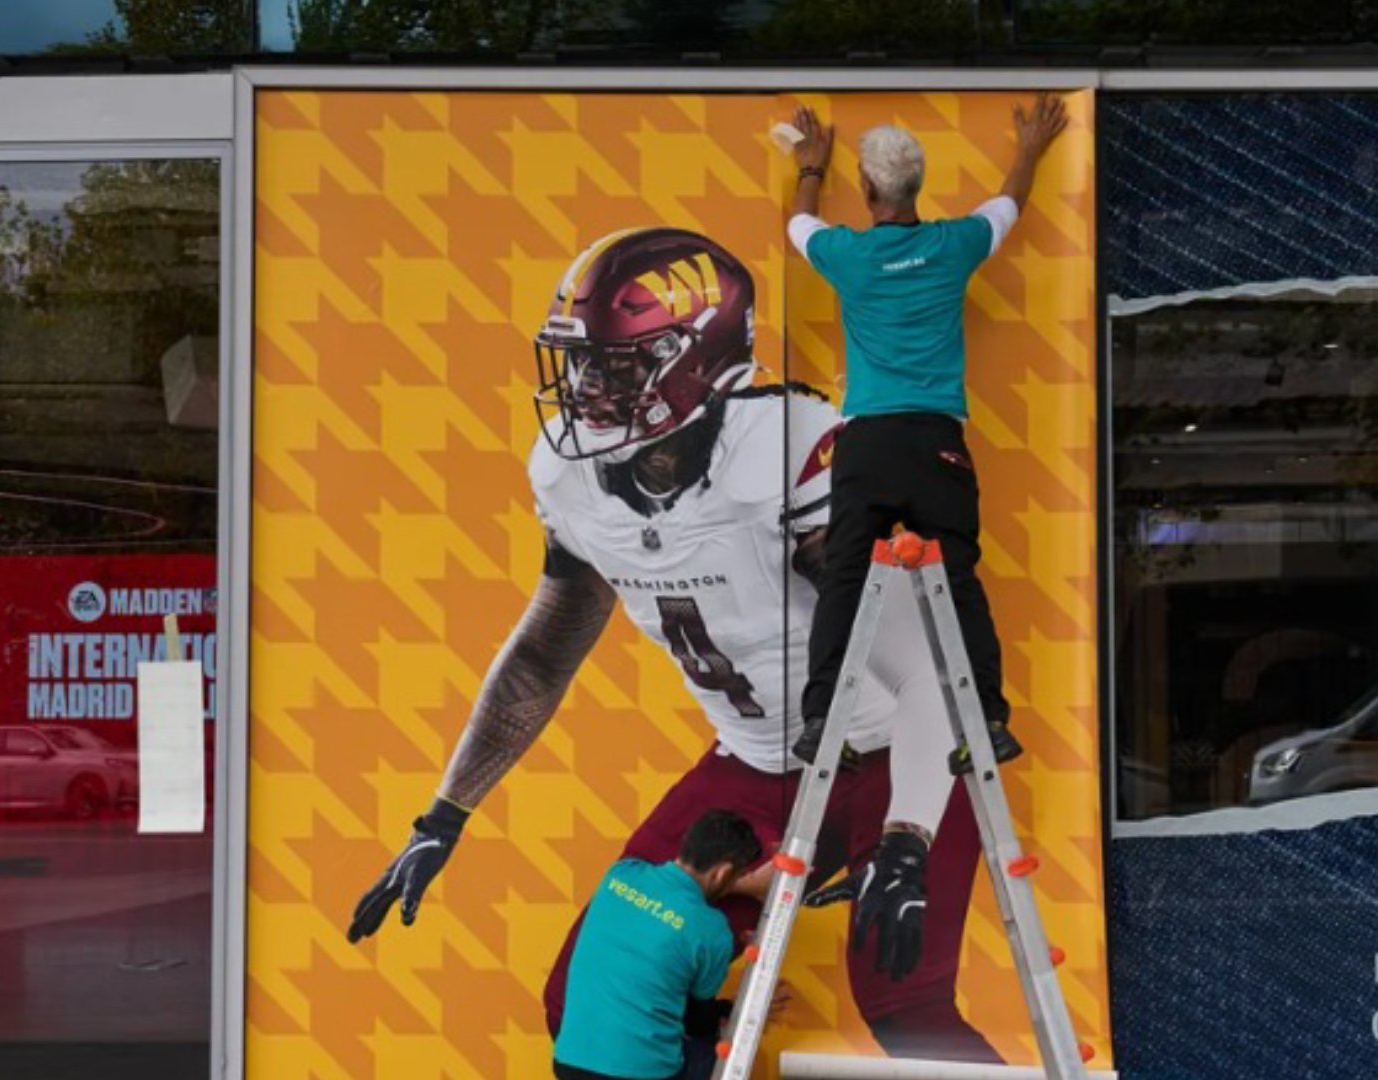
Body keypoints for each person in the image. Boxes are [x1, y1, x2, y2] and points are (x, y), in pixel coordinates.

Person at [347, 226, 1003, 1063]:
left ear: (697, 360)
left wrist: (908, 837)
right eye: (581, 362)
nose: (586, 388)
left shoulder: (788, 449)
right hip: (757, 758)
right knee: (581, 990)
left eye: (616, 365)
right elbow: (546, 652)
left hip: (891, 751)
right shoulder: (569, 474)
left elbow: (925, 674)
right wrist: (444, 816)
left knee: (905, 1006)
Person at [786, 95, 1070, 781]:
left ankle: (822, 713)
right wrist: (1030, 146)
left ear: (868, 188)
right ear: (917, 185)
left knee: (844, 578)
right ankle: (990, 723)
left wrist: (810, 168)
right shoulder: (952, 245)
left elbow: (797, 223)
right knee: (960, 577)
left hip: (868, 444)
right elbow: (1009, 205)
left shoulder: (846, 255)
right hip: (938, 443)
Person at [553, 810, 769, 1080]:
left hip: (570, 1063)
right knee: (717, 1053)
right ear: (723, 872)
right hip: (641, 1074)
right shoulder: (711, 929)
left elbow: (671, 891)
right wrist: (732, 1009)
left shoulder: (620, 875)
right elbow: (698, 1022)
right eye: (738, 875)